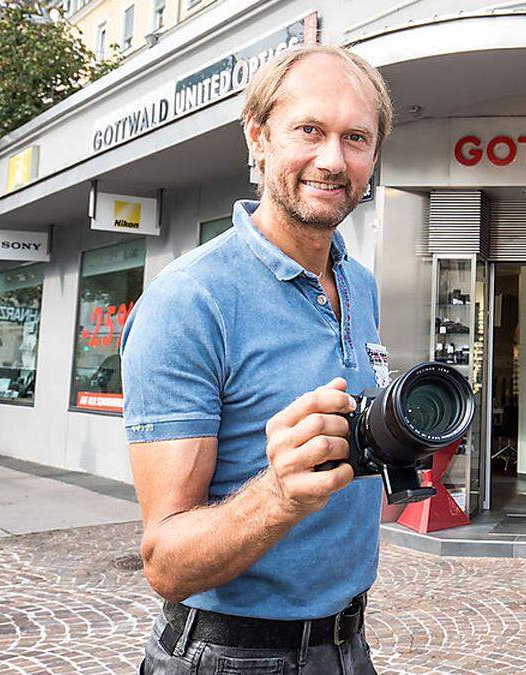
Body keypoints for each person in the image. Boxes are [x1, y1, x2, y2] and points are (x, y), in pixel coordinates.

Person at [121, 44, 394, 673]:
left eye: (356, 137)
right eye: (309, 130)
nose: (333, 159)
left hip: (347, 646)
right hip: (230, 656)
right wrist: (278, 495)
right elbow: (164, 562)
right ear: (258, 136)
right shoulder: (188, 300)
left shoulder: (362, 283)